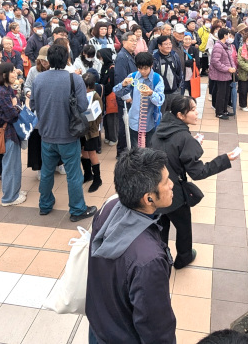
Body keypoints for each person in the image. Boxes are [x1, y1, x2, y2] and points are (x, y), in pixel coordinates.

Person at [86, 147, 176, 344]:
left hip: (99, 326)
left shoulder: (108, 208)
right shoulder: (148, 260)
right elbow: (156, 330)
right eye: (166, 181)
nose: (172, 185)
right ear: (148, 198)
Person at [150, 95, 239, 269]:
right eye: (191, 110)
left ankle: (160, 261)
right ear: (180, 116)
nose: (196, 112)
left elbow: (173, 151)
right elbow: (199, 172)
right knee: (183, 228)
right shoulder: (184, 137)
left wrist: (193, 143)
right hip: (173, 193)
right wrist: (225, 159)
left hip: (154, 190)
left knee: (160, 228)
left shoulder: (160, 129)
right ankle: (183, 258)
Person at [30, 44, 96, 221]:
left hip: (46, 134)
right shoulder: (75, 79)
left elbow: (33, 106)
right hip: (68, 135)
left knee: (46, 172)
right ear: (67, 59)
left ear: (48, 61)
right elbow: (82, 106)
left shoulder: (39, 79)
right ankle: (77, 209)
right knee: (73, 173)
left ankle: (45, 204)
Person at [0, 62, 26, 206]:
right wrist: (16, 105)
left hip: (11, 131)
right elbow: (12, 114)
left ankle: (14, 192)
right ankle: (9, 198)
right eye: (12, 72)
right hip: (6, 133)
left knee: (14, 163)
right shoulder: (1, 92)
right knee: (10, 165)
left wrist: (16, 103)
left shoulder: (7, 89)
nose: (15, 74)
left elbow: (18, 103)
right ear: (4, 74)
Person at [113, 51, 165, 148]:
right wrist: (123, 84)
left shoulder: (157, 79)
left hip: (151, 121)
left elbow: (160, 100)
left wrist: (151, 93)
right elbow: (118, 92)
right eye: (140, 68)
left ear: (151, 66)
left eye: (145, 68)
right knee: (135, 150)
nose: (142, 71)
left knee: (150, 149)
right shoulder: (133, 77)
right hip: (135, 120)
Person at [23, 45, 50, 176]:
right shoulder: (34, 70)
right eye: (42, 60)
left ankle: (57, 164)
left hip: (51, 110)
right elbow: (27, 86)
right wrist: (28, 93)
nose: (44, 63)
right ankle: (39, 167)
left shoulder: (56, 70)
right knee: (37, 139)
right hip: (37, 110)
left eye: (46, 60)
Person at [113, 32, 138, 154]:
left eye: (135, 41)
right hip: (125, 97)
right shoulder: (122, 56)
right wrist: (126, 96)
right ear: (123, 42)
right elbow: (120, 78)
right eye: (131, 40)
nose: (134, 43)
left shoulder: (130, 55)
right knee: (124, 125)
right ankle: (122, 152)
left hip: (131, 94)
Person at [79, 72, 103, 193]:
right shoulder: (81, 95)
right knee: (84, 151)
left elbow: (98, 116)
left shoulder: (95, 97)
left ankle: (97, 179)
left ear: (90, 86)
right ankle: (88, 174)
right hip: (82, 129)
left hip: (92, 131)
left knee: (92, 153)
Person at [209, 28, 237, 120]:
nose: (229, 37)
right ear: (224, 35)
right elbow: (215, 62)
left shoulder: (225, 45)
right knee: (221, 94)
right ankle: (219, 112)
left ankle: (224, 110)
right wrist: (228, 69)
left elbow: (230, 58)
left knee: (226, 93)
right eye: (228, 35)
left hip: (227, 74)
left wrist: (233, 68)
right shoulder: (218, 46)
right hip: (220, 75)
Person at [152, 34, 184, 110]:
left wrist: (179, 87)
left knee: (175, 113)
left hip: (174, 91)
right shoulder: (155, 59)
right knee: (162, 116)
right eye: (166, 44)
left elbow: (179, 71)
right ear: (159, 46)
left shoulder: (174, 56)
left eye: (170, 44)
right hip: (161, 93)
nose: (169, 46)